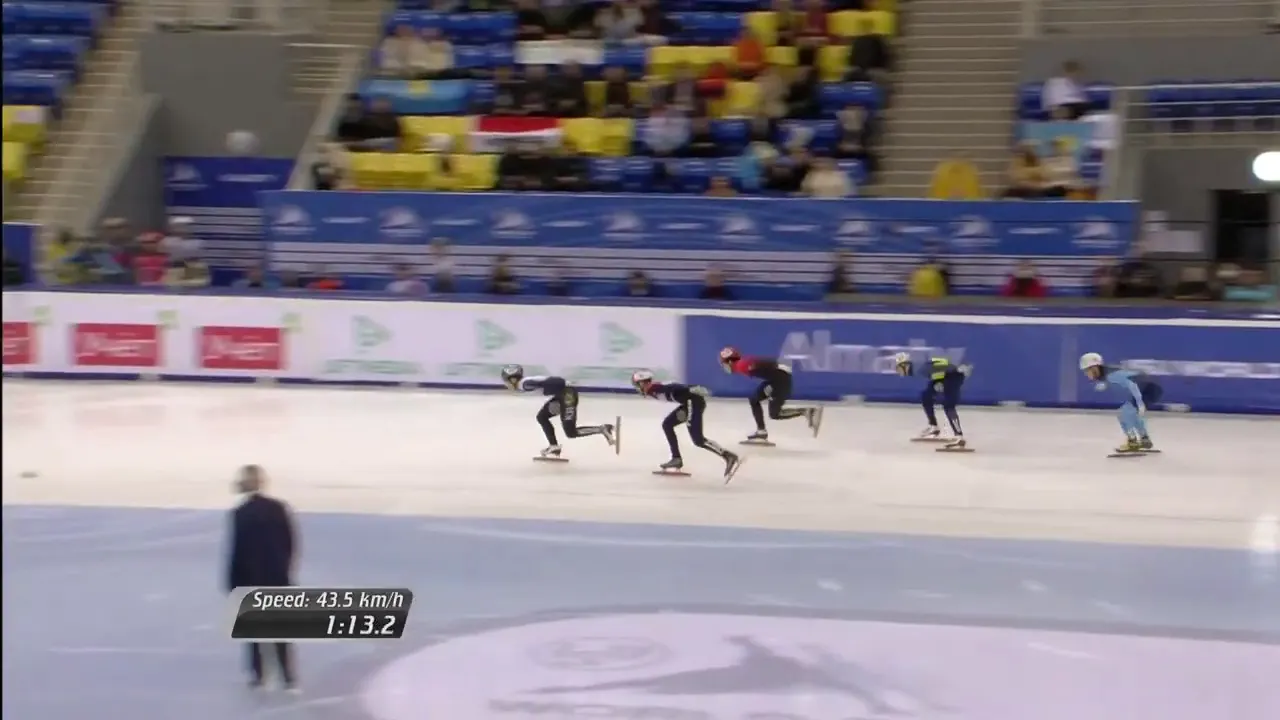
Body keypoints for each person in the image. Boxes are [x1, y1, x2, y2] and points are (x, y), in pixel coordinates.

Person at [226, 465, 298, 691]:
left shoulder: (240, 513)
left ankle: (258, 675)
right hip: (277, 576)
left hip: (250, 577)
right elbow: (290, 542)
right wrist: (285, 569)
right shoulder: (279, 508)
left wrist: (232, 582)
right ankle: (287, 675)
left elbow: (237, 550)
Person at [631, 370, 743, 481]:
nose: (637, 388)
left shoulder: (656, 389)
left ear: (643, 383)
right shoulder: (653, 390)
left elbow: (674, 387)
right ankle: (676, 459)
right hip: (688, 404)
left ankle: (728, 456)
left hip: (693, 403)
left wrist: (690, 388)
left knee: (698, 440)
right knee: (667, 425)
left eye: (637, 385)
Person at [501, 365, 617, 460]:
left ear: (513, 379)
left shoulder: (524, 384)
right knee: (542, 417)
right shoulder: (524, 383)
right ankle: (554, 446)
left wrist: (563, 383)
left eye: (506, 381)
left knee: (571, 432)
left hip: (568, 396)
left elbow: (552, 381)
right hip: (562, 395)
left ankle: (602, 429)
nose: (505, 384)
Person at [718, 347, 823, 445]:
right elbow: (760, 363)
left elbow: (760, 363)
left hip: (780, 381)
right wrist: (777, 366)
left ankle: (807, 411)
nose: (724, 367)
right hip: (776, 380)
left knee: (774, 414)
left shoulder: (741, 365)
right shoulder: (742, 364)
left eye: (724, 363)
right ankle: (761, 432)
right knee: (754, 399)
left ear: (730, 362)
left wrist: (776, 366)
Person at [1078, 353, 1162, 456]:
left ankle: (1133, 441)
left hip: (1148, 389)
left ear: (1094, 368)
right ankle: (1144, 439)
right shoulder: (1109, 374)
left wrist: (1140, 403)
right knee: (1131, 413)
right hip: (1149, 387)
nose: (1087, 375)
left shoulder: (1112, 376)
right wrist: (1104, 384)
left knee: (1125, 413)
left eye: (1087, 371)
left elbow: (1132, 386)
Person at [894, 352, 972, 451]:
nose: (899, 372)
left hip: (952, 376)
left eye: (899, 368)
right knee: (926, 396)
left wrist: (953, 375)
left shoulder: (920, 369)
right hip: (945, 377)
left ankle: (959, 437)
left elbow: (947, 369)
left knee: (948, 405)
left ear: (906, 365)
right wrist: (939, 383)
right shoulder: (920, 367)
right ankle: (934, 427)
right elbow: (938, 372)